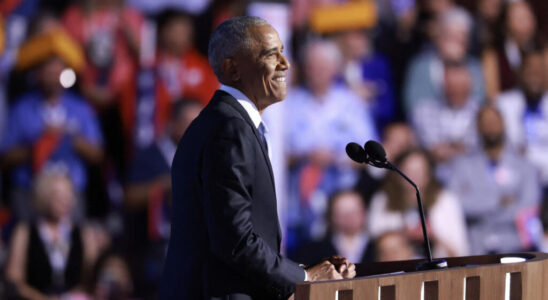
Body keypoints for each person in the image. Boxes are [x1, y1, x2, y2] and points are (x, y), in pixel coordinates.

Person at [160, 16, 355, 300]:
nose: (285, 64)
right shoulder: (228, 130)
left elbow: (239, 237)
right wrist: (303, 278)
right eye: (270, 54)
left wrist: (310, 271)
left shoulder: (226, 123)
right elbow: (234, 240)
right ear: (232, 68)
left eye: (283, 52)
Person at [449, 106, 542, 254]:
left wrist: (481, 214)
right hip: (477, 248)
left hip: (517, 244)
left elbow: (528, 207)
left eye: (494, 121)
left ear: (503, 123)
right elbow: (457, 204)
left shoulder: (525, 165)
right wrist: (497, 202)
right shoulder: (462, 165)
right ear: (477, 127)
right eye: (484, 122)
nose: (490, 127)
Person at [4, 171, 107, 300]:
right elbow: (14, 281)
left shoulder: (84, 234)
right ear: (44, 196)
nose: (65, 201)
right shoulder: (25, 232)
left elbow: (91, 277)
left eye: (68, 195)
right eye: (58, 196)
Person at [369, 149, 469, 258]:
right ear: (397, 174)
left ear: (429, 174)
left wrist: (432, 236)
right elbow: (378, 246)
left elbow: (461, 251)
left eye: (419, 171)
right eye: (409, 171)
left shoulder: (446, 200)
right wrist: (404, 235)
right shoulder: (382, 200)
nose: (414, 177)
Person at [497, 50, 548, 193]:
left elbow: (520, 151)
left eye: (540, 69)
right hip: (514, 185)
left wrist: (528, 154)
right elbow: (504, 151)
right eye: (530, 68)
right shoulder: (502, 105)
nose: (535, 74)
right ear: (520, 73)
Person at [295, 190, 375, 266]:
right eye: (342, 212)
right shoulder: (312, 251)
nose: (350, 217)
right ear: (331, 216)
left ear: (365, 212)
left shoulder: (378, 247)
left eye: (355, 211)